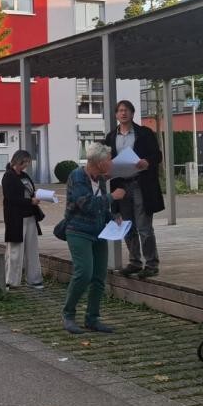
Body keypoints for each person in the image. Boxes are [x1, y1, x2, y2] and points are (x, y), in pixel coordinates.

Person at [60, 143, 126, 334]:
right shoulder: (77, 176)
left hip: (99, 232)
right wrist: (113, 197)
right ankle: (68, 314)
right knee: (84, 273)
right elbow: (86, 204)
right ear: (98, 162)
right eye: (108, 159)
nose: (111, 162)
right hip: (78, 231)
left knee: (99, 277)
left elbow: (101, 207)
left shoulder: (100, 179)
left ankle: (92, 318)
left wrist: (113, 217)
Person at [104, 99, 165, 278]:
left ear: (132, 113)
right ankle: (134, 262)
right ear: (116, 115)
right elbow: (107, 160)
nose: (123, 113)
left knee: (144, 226)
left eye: (126, 110)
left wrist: (148, 162)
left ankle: (152, 264)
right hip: (121, 185)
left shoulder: (144, 133)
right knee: (127, 225)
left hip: (141, 184)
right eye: (120, 111)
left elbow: (157, 155)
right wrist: (106, 171)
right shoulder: (110, 137)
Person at [2, 149, 45, 290]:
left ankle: (34, 279)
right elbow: (10, 198)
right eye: (25, 162)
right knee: (15, 250)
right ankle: (11, 280)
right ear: (18, 160)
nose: (26, 165)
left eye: (27, 162)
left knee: (32, 249)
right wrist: (29, 202)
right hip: (16, 218)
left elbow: (30, 191)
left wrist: (38, 196)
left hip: (30, 216)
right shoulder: (8, 176)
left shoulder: (25, 175)